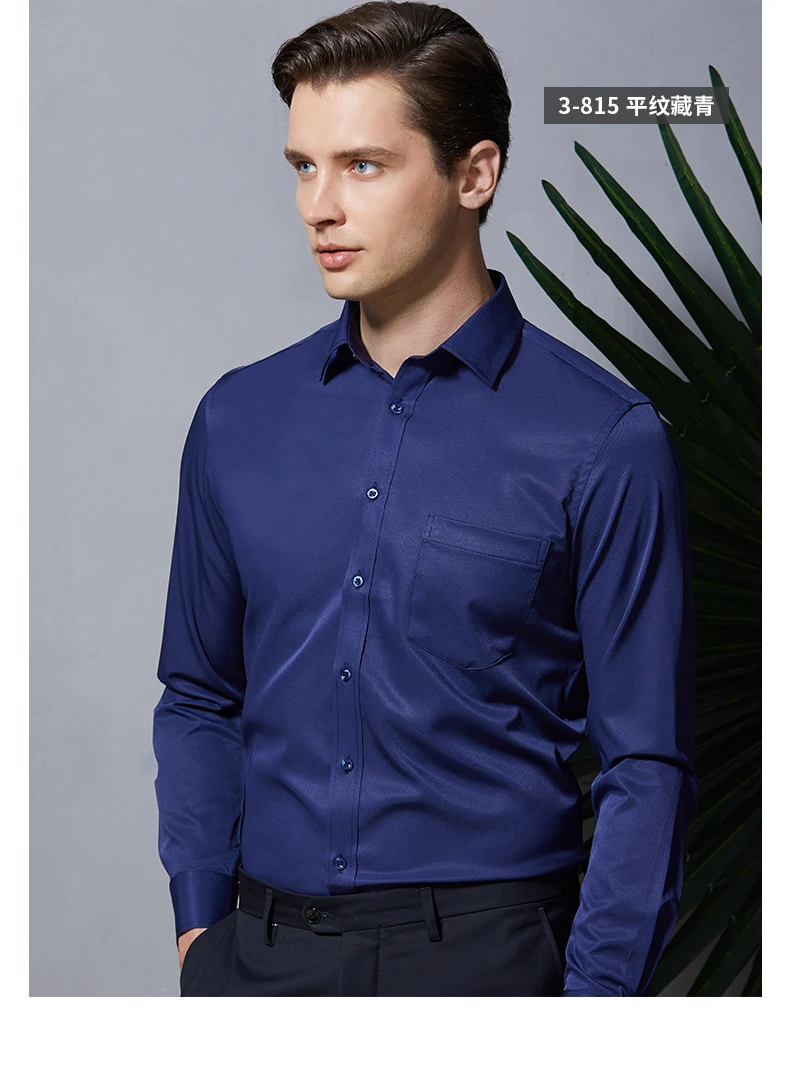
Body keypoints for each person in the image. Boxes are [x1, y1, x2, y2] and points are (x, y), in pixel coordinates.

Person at [152, 0, 698, 998]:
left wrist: (596, 1017)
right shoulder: (237, 419)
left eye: (362, 165)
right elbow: (199, 694)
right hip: (261, 958)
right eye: (303, 166)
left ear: (473, 174)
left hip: (490, 961)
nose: (319, 206)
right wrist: (201, 931)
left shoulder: (603, 440)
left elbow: (646, 765)